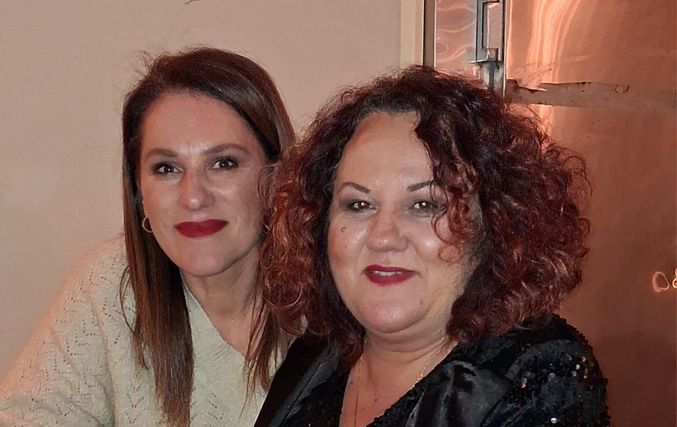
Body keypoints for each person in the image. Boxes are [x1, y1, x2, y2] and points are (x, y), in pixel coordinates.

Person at [251, 66, 609, 426]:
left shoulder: (534, 376)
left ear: (494, 226)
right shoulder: (314, 358)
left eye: (424, 205)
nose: (383, 236)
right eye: (358, 205)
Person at [0, 47, 294, 426]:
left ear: (277, 177)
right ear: (139, 192)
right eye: (167, 168)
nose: (193, 196)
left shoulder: (332, 302)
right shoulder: (112, 284)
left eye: (224, 163)